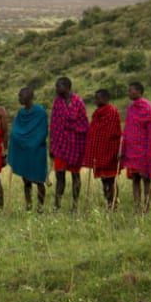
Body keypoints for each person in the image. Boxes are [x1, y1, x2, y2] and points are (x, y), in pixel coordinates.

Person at [47, 77, 89, 211]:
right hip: (60, 145)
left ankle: (75, 206)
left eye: (58, 86)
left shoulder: (78, 102)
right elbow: (54, 125)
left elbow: (84, 124)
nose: (56, 89)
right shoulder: (57, 103)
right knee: (59, 176)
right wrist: (52, 146)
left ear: (67, 87)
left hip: (75, 145)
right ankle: (57, 206)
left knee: (75, 176)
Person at [8, 86, 50, 212]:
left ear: (29, 97)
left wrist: (32, 143)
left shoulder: (40, 112)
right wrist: (21, 141)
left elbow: (42, 132)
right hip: (24, 151)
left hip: (37, 150)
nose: (19, 98)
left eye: (21, 96)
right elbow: (16, 131)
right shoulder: (21, 113)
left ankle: (40, 207)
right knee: (26, 180)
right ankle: (29, 205)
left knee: (38, 180)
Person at [121, 81, 151, 213]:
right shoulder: (131, 108)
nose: (129, 93)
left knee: (146, 179)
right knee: (135, 178)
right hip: (132, 149)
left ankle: (147, 207)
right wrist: (123, 148)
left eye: (131, 90)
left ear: (139, 91)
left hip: (144, 149)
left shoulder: (147, 107)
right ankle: (137, 207)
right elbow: (127, 128)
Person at [84, 89, 122, 210]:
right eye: (95, 98)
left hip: (110, 151)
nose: (96, 100)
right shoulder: (96, 113)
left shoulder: (112, 112)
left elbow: (114, 132)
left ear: (106, 98)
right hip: (99, 152)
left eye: (98, 98)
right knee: (103, 180)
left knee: (111, 179)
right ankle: (108, 202)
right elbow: (94, 130)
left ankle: (114, 203)